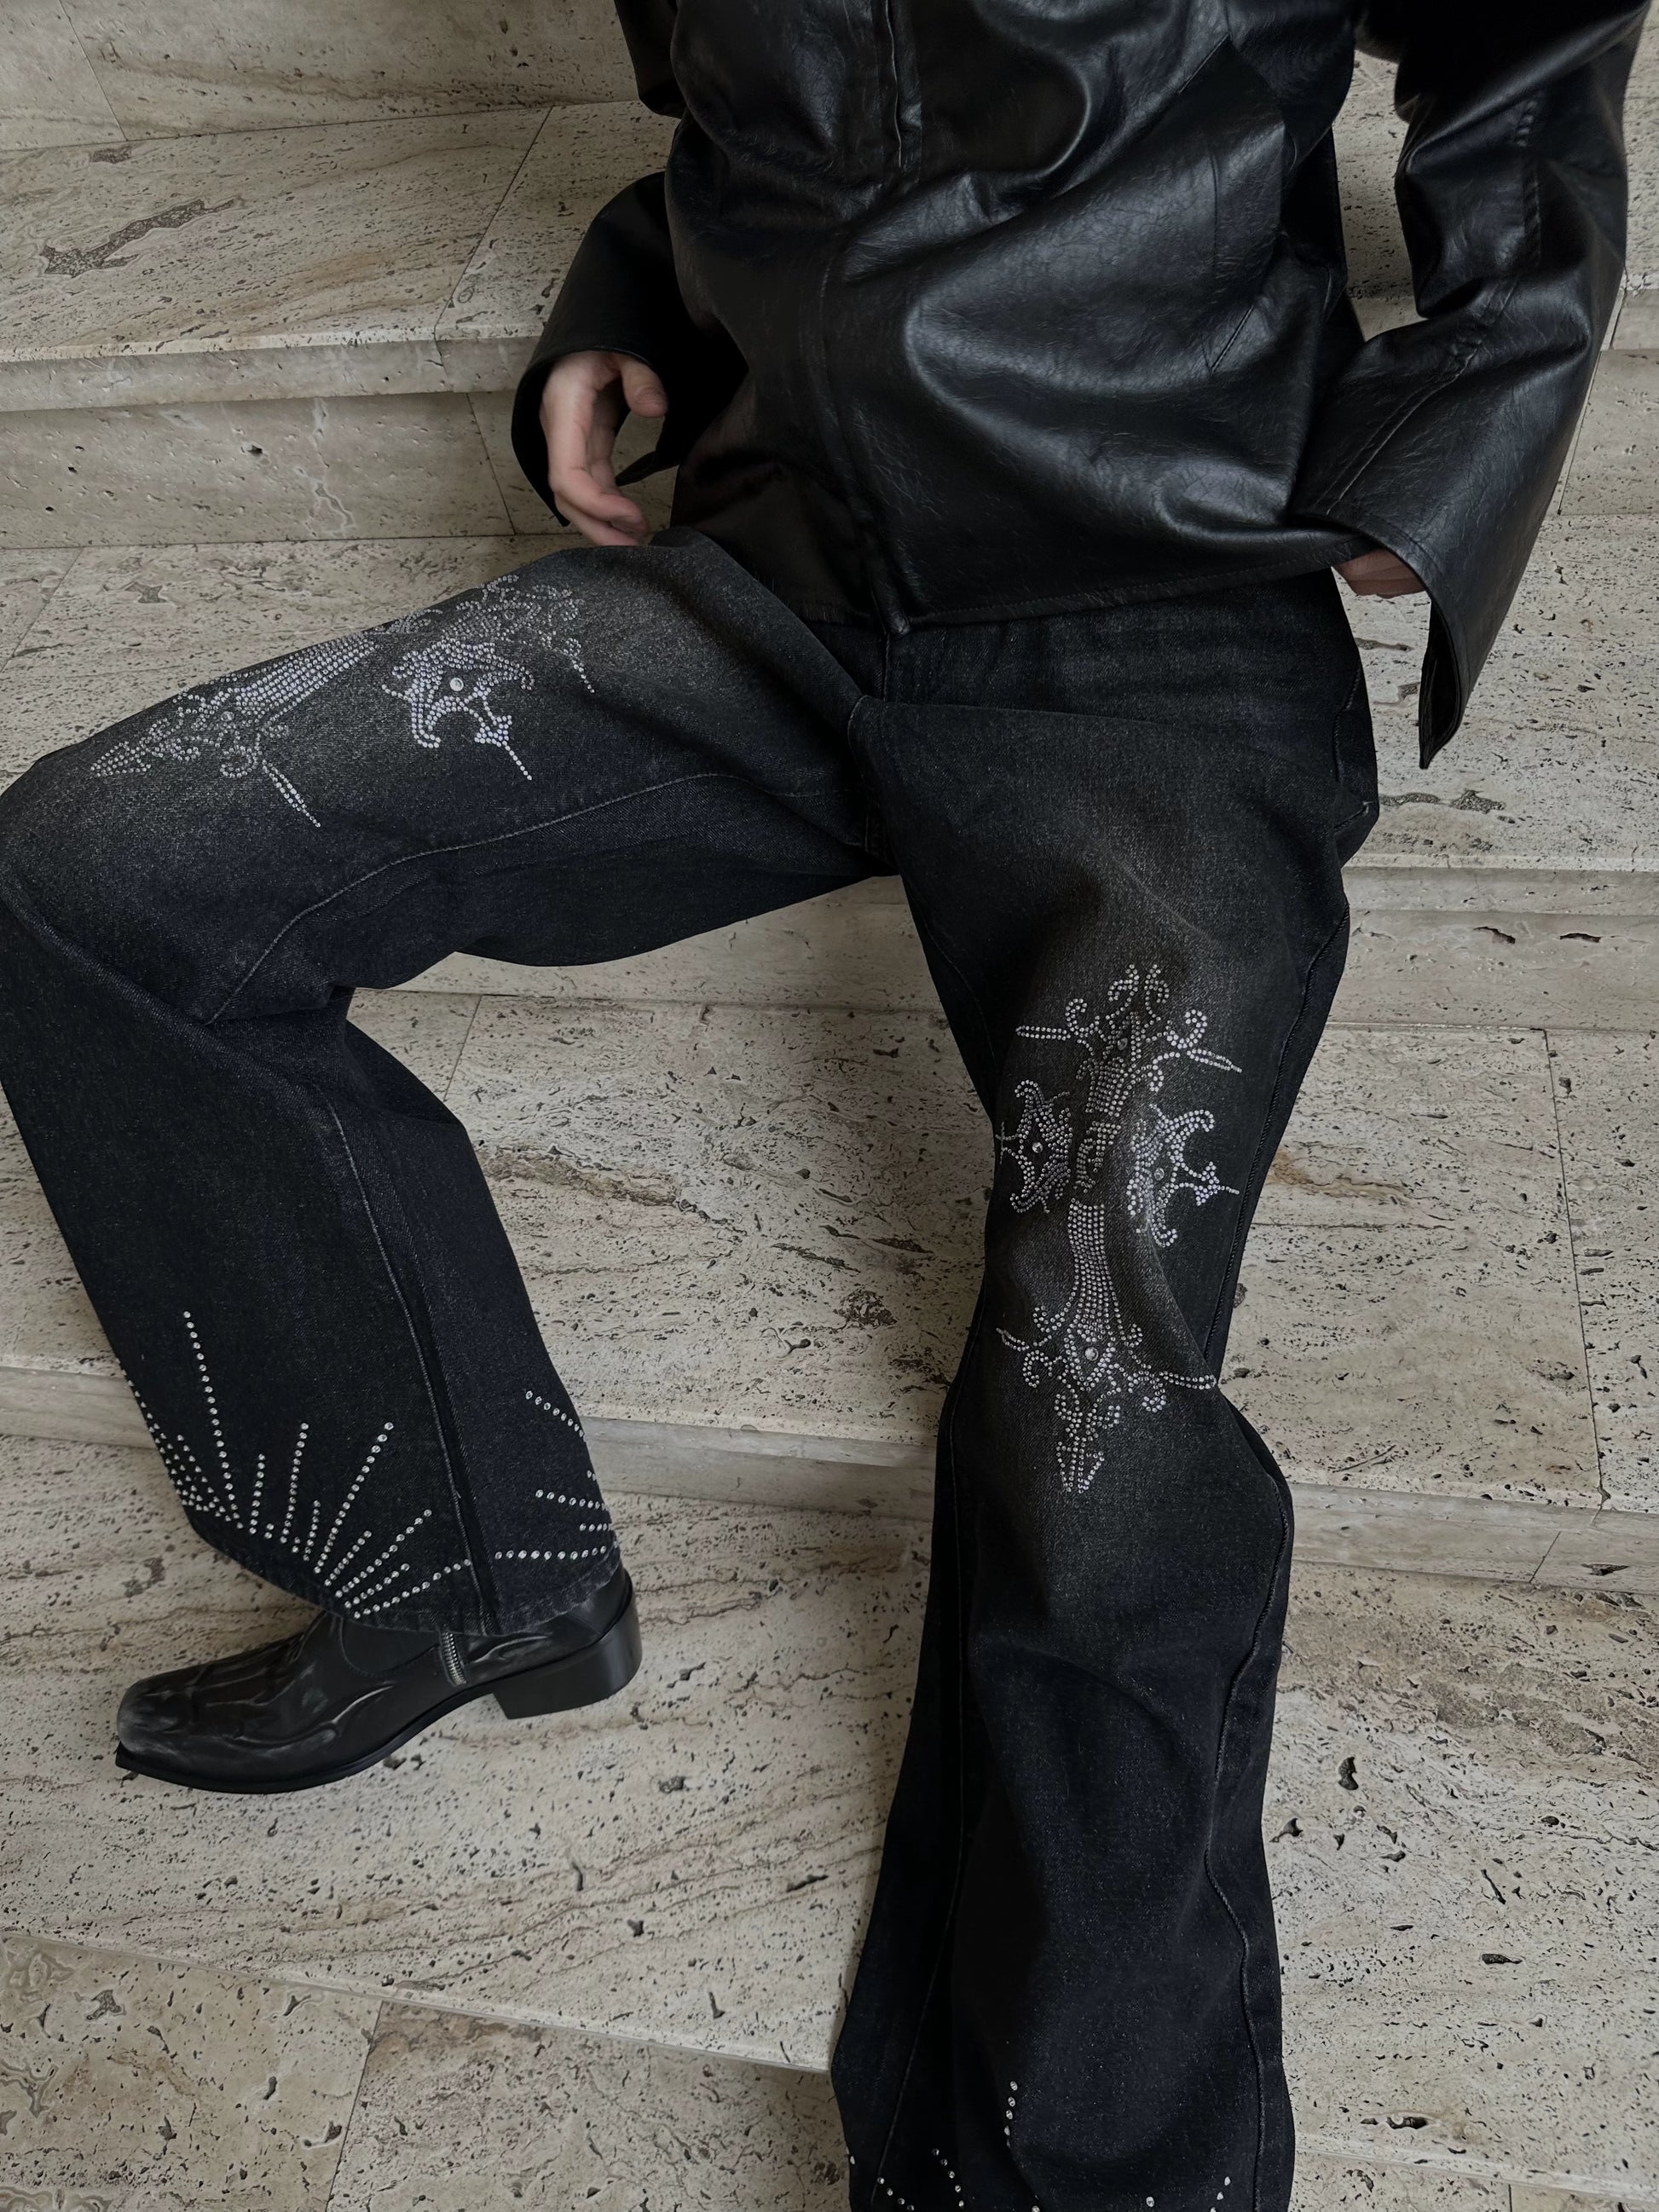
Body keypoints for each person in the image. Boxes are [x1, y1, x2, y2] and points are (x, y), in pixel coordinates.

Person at [0, 1, 1640, 2204]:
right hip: (775, 597)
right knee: (100, 871)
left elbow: (1529, 30)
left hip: (1151, 614)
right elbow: (760, 108)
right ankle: (452, 1557)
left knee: (1092, 1396)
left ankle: (1084, 2169)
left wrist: (1460, 416)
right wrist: (635, 297)